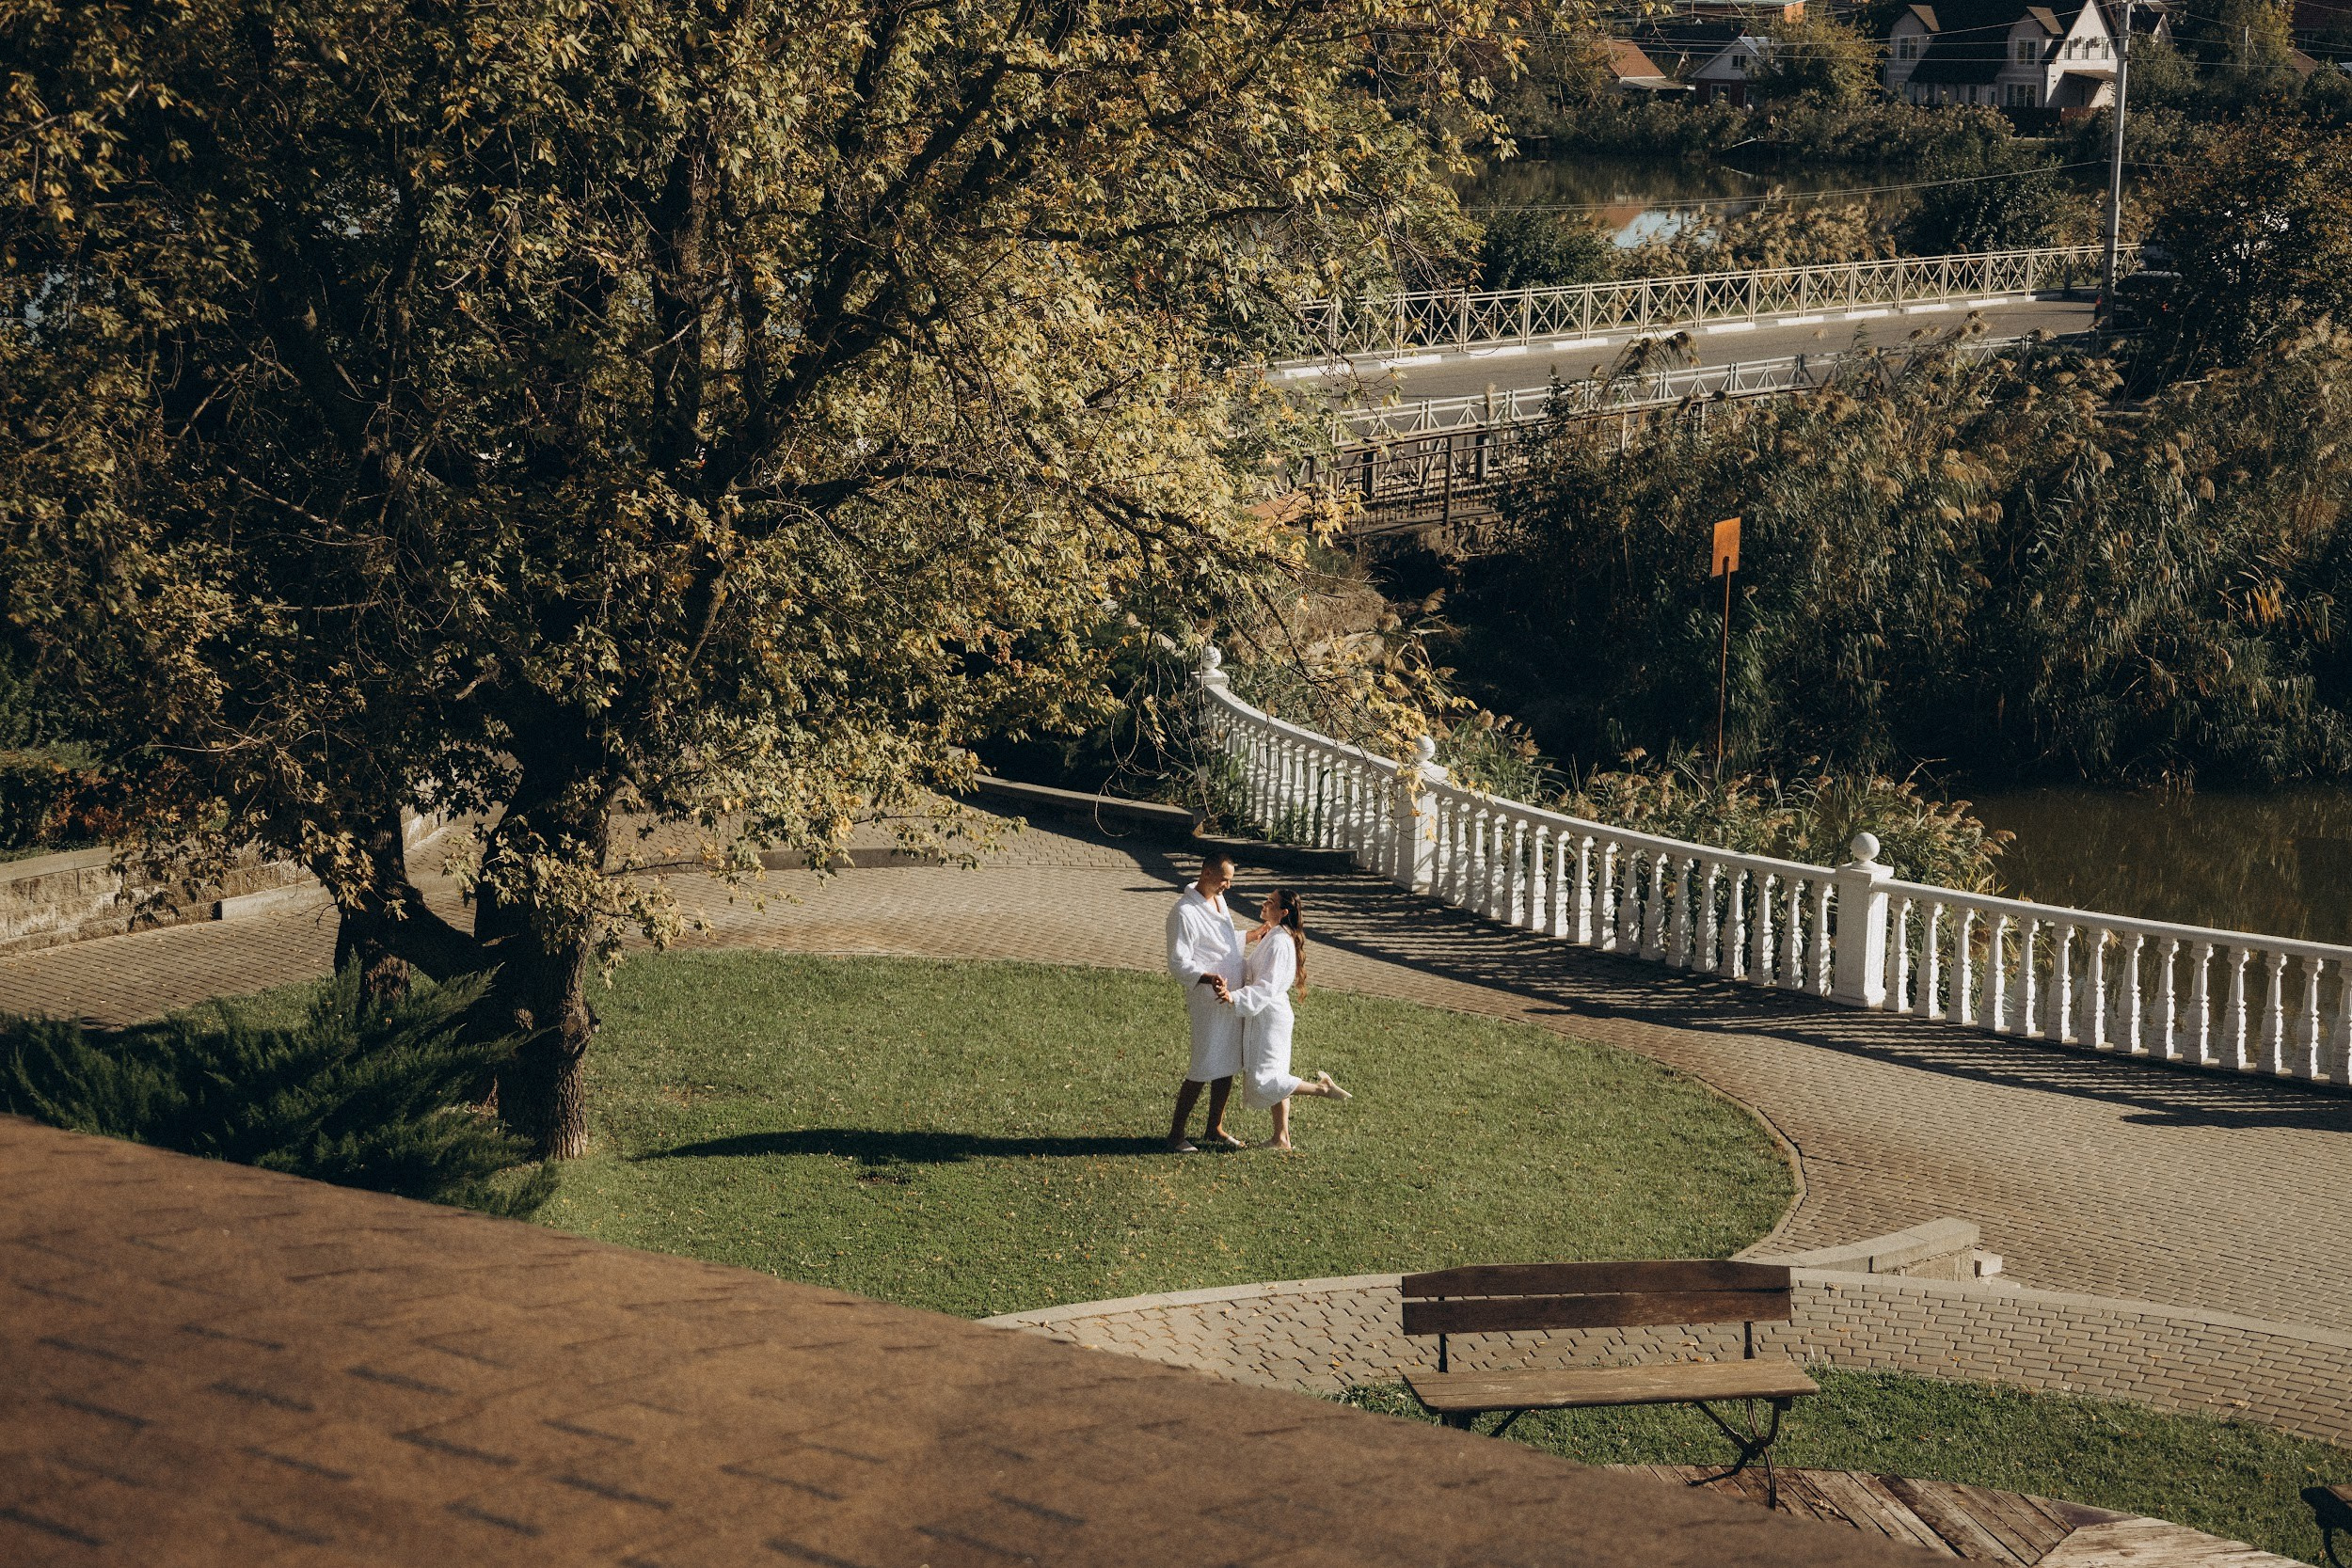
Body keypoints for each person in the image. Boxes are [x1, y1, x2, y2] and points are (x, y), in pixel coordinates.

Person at [1228, 888, 1350, 1151]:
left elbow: (1267, 986)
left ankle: (1322, 1089)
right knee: (1275, 1074)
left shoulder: (1280, 943)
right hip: (1269, 1014)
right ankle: (1281, 1138)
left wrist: (1235, 998)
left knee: (1264, 1079)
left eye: (1270, 902)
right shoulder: (1274, 936)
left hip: (1269, 1017)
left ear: (1283, 912)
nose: (1264, 903)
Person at [1165, 851, 1246, 1152]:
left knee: (1227, 1063)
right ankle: (1176, 1134)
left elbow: (1224, 943)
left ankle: (1215, 1127)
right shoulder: (1184, 913)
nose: (1228, 885)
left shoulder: (1219, 902)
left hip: (1229, 997)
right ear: (1206, 872)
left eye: (1230, 880)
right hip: (1207, 1000)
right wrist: (1207, 977)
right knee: (1203, 1064)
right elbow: (1178, 962)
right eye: (1225, 879)